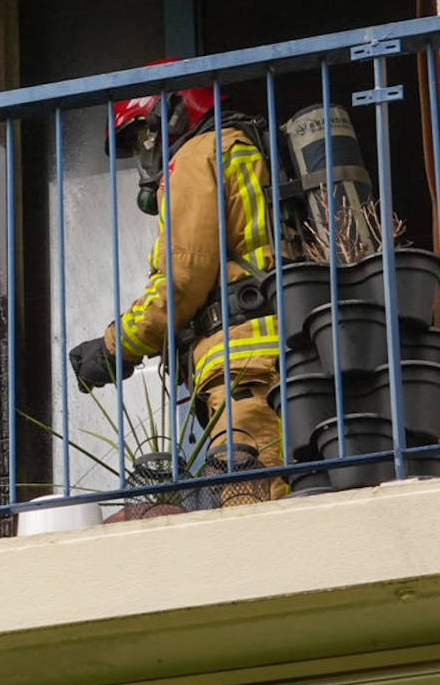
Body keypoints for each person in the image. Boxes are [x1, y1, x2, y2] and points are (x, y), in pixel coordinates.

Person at [66, 74, 284, 502]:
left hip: (246, 369)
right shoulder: (245, 148)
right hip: (284, 359)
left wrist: (114, 347)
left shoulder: (198, 155)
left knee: (252, 511)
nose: (143, 157)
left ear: (175, 115)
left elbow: (181, 283)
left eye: (141, 139)